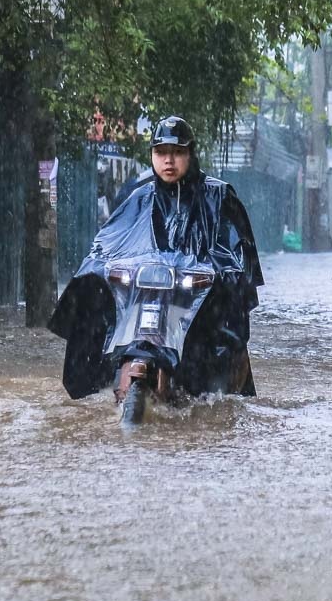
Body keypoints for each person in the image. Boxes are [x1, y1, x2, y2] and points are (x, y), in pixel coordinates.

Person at [49, 115, 264, 400]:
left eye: (177, 152)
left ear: (190, 153)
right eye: (161, 152)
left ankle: (211, 391)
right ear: (152, 155)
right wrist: (97, 268)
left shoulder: (218, 196)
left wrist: (219, 274)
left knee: (220, 350)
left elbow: (236, 253)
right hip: (143, 300)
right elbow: (106, 244)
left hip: (198, 305)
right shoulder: (138, 199)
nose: (169, 161)